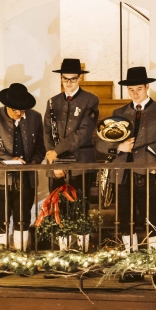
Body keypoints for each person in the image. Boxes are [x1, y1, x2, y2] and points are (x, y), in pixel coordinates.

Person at [97, 67, 156, 250]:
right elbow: (101, 144)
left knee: (151, 217)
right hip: (121, 174)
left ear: (147, 86)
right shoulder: (119, 112)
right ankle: (130, 261)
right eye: (131, 89)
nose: (134, 93)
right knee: (125, 218)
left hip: (146, 173)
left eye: (139, 89)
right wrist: (118, 147)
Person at [0, 82, 45, 249]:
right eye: (14, 109)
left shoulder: (35, 117)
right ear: (7, 105)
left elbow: (41, 146)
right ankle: (0, 260)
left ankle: (20, 257)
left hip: (26, 178)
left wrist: (32, 163)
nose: (19, 113)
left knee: (23, 218)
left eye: (22, 109)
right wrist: (8, 159)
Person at [43, 58, 100, 202]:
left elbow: (84, 132)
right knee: (55, 208)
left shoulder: (91, 100)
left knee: (79, 209)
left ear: (80, 78)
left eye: (73, 79)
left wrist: (57, 151)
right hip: (56, 165)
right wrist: (54, 161)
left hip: (80, 163)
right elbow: (47, 132)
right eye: (65, 79)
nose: (68, 83)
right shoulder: (52, 101)